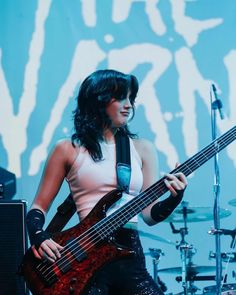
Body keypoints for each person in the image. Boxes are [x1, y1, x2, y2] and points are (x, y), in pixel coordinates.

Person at [26, 69, 188, 295]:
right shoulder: (67, 149)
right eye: (121, 97)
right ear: (98, 100)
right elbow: (38, 207)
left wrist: (174, 198)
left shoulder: (142, 149)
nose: (129, 105)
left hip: (129, 253)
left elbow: (149, 216)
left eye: (131, 98)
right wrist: (39, 237)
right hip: (84, 259)